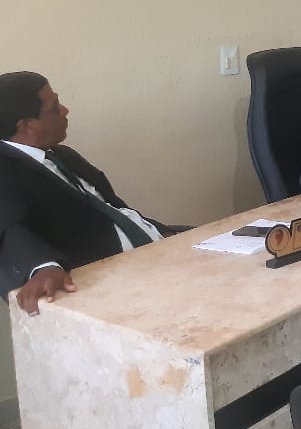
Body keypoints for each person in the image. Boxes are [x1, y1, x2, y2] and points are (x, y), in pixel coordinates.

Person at [0, 71, 175, 315]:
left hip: (157, 246)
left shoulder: (62, 155)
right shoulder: (5, 169)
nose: (65, 111)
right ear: (27, 125)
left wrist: (163, 233)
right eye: (55, 107)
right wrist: (42, 266)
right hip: (116, 276)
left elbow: (114, 207)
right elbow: (9, 228)